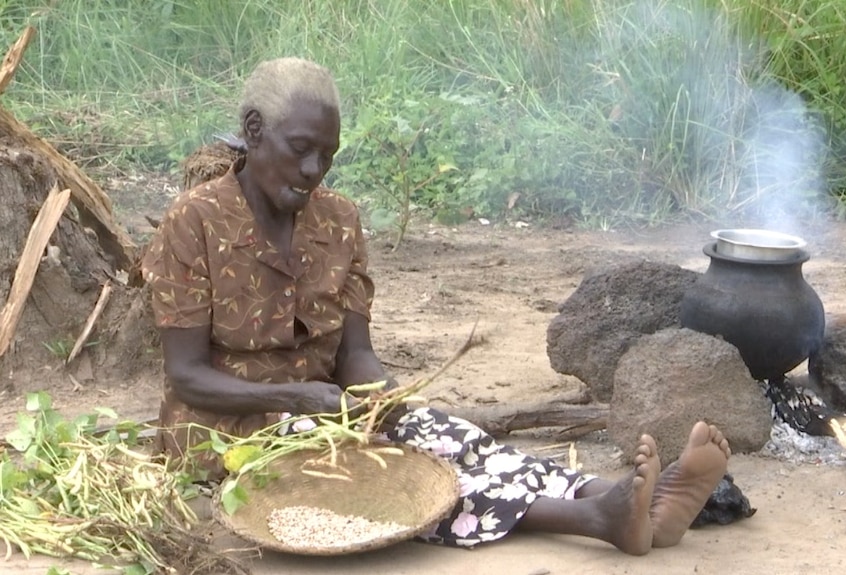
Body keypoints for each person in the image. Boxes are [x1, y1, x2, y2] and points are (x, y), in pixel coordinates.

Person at [141, 57, 731, 555]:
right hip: (227, 428)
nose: (314, 171)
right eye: (300, 150)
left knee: (446, 436)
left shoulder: (339, 221)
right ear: (253, 129)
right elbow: (187, 376)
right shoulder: (193, 221)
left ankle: (615, 495)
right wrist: (296, 398)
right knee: (384, 474)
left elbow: (355, 356)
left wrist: (388, 400)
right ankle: (594, 520)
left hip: (327, 407)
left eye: (328, 154)